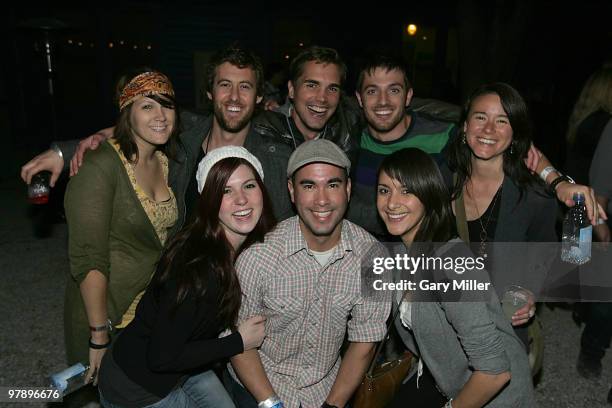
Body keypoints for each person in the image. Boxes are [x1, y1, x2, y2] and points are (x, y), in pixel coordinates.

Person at [21, 45, 294, 224]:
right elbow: (138, 126)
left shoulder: (275, 160)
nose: (234, 97)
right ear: (210, 93)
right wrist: (63, 153)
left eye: (245, 87)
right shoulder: (185, 133)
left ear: (259, 96)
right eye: (225, 85)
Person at [346, 54, 604, 237]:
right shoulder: (348, 141)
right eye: (372, 91)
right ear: (358, 98)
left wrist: (559, 183)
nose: (383, 101)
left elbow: (513, 147)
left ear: (409, 95)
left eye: (393, 90)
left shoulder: (442, 136)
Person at [97, 146, 275, 408]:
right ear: (209, 201)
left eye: (249, 186)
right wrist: (237, 342)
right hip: (138, 388)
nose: (241, 200)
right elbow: (161, 357)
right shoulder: (200, 271)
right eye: (226, 190)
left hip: (180, 363)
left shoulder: (221, 244)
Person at [227, 139, 390, 408]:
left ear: (348, 189)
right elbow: (237, 342)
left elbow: (365, 340)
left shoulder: (373, 258)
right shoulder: (258, 257)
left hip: (327, 389)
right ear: (292, 191)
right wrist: (271, 403)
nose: (322, 200)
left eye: (333, 185)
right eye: (309, 186)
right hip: (260, 385)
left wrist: (333, 405)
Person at [377, 148, 536, 407]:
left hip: (495, 397)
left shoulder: (452, 263)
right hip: (444, 381)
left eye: (407, 191)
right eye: (384, 190)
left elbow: (495, 372)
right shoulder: (399, 257)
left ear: (428, 196)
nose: (392, 203)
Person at [63, 69, 181, 383]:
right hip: (111, 312)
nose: (160, 115)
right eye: (147, 106)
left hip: (152, 312)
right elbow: (89, 258)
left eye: (167, 105)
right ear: (128, 113)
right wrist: (98, 334)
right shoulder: (100, 166)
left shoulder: (168, 160)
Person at [446, 82, 558, 351]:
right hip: (447, 323)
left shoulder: (534, 196)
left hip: (502, 328)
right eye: (480, 117)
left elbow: (548, 252)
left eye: (502, 121)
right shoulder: (441, 182)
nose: (488, 130)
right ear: (464, 126)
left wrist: (530, 290)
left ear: (515, 133)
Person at [565, 67, 612, 381]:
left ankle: (580, 307)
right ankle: (586, 312)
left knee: (580, 262)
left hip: (575, 201)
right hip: (590, 203)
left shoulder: (581, 120)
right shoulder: (604, 123)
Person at [253, 46, 360, 162]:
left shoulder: (347, 133)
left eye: (332, 89)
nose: (322, 98)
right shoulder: (264, 130)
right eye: (311, 85)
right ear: (292, 89)